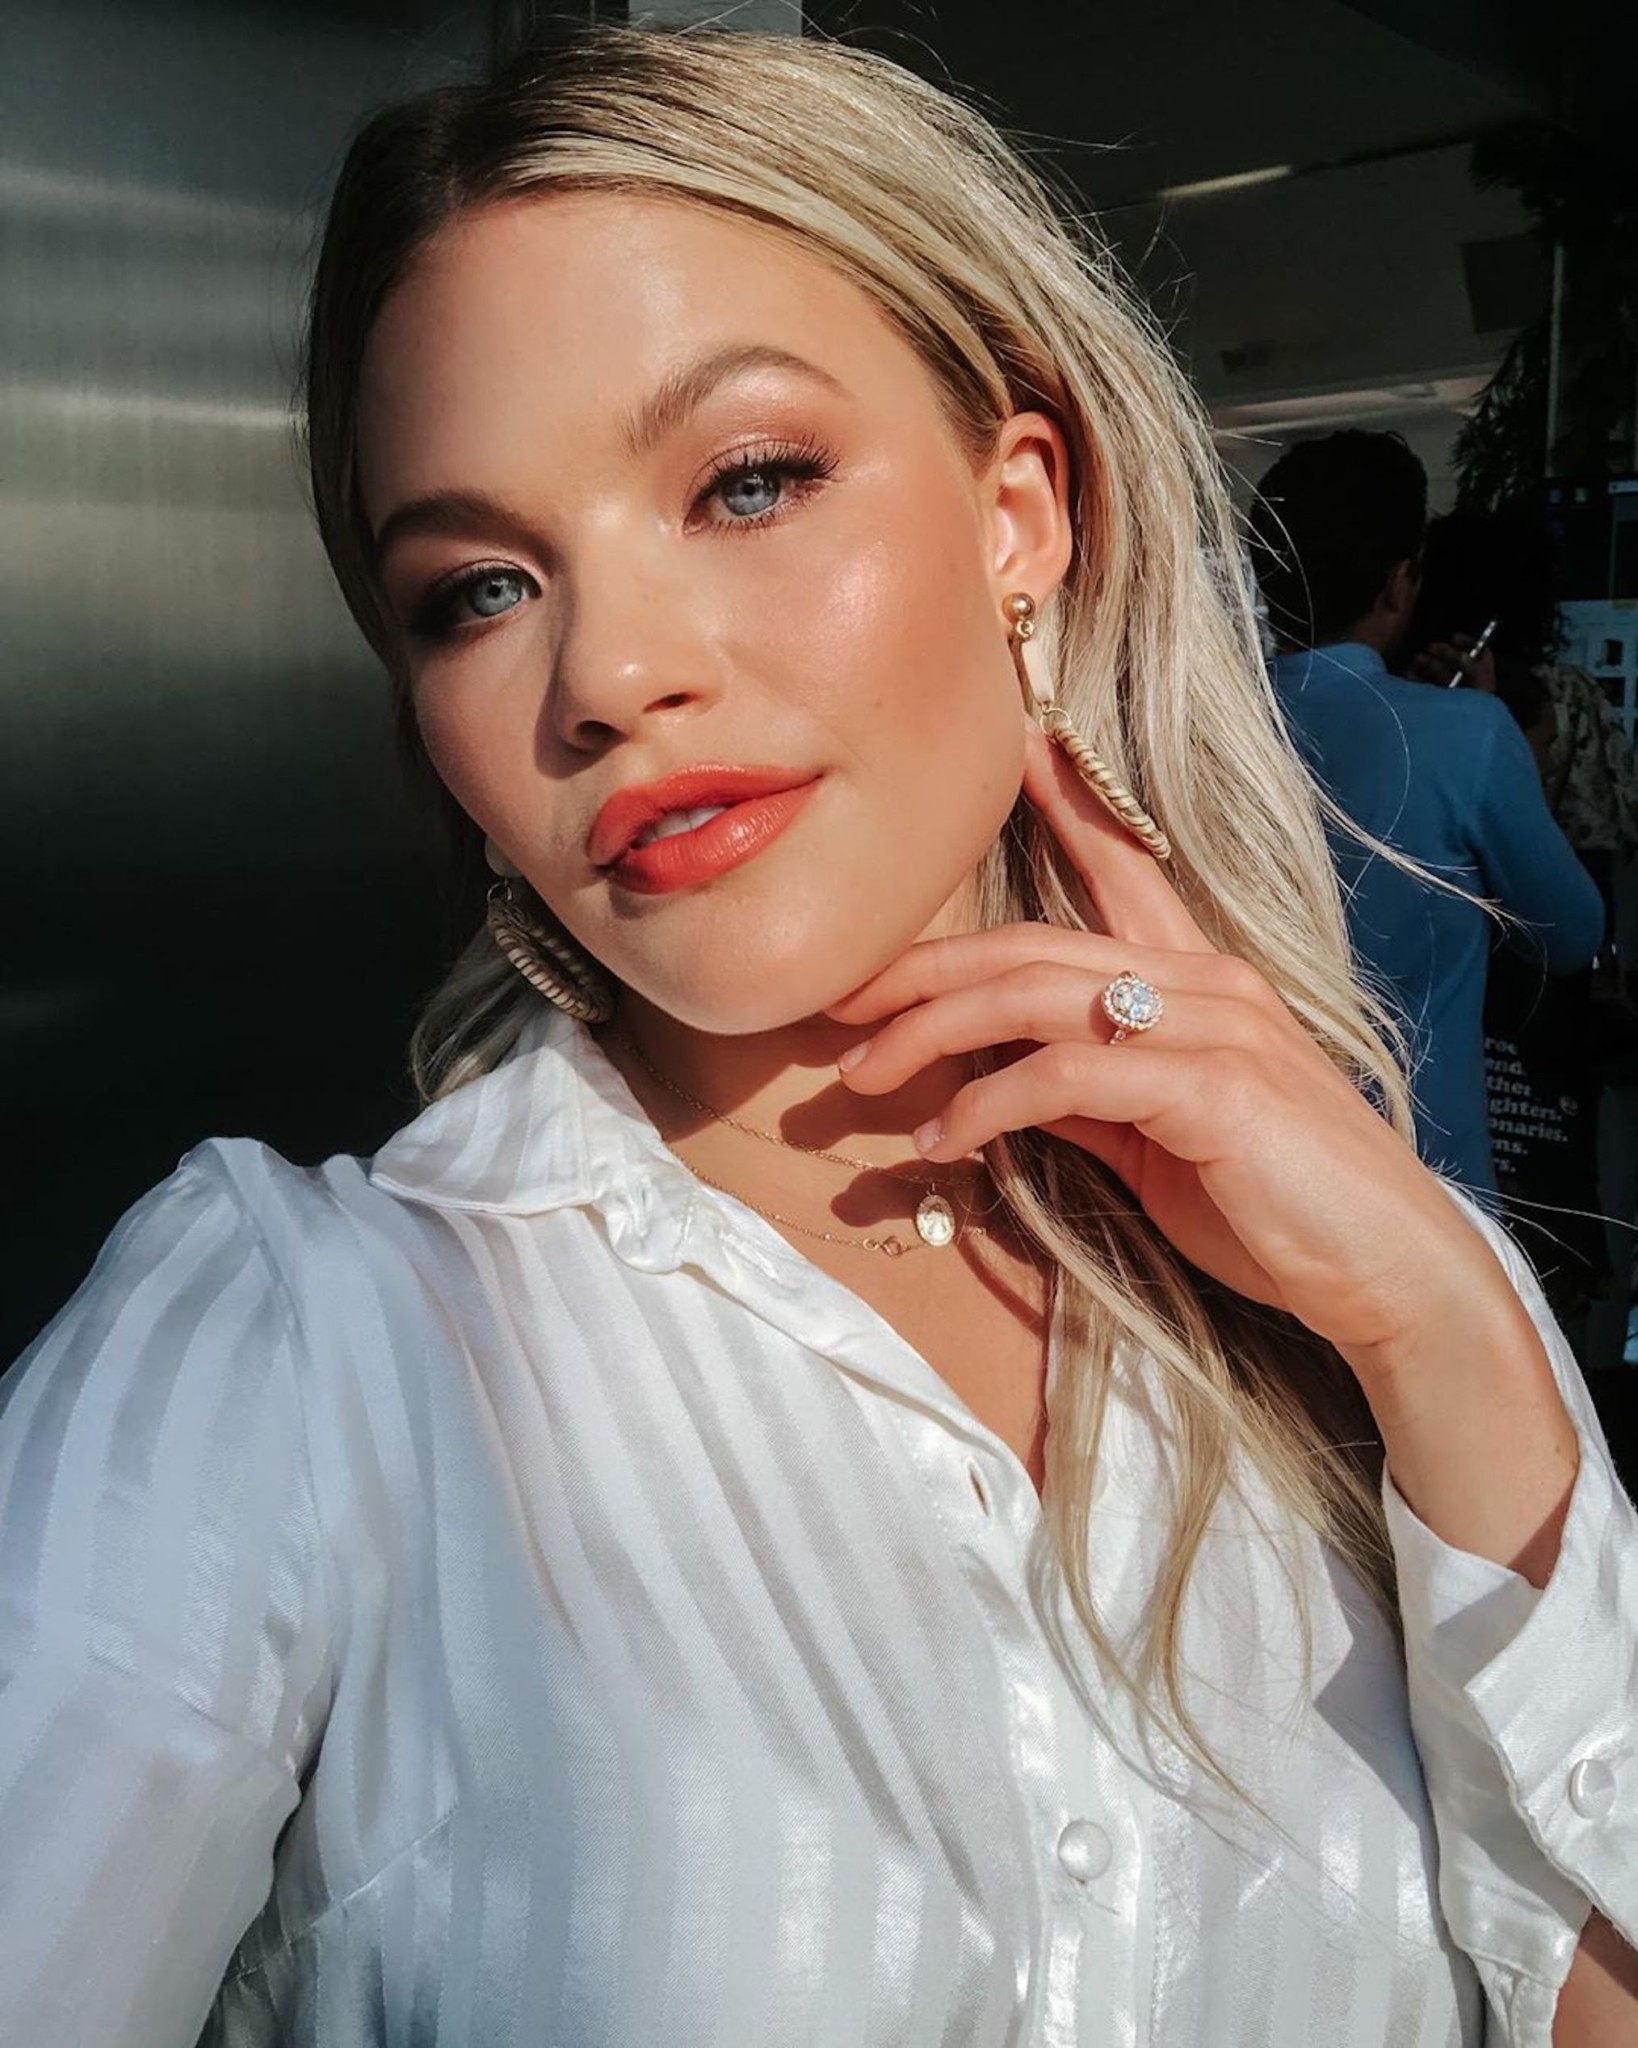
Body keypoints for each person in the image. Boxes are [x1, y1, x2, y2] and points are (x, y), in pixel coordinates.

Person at [1, 27, 1635, 2047]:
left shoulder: (1376, 1307)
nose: (609, 673)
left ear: (1018, 513)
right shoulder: (292, 1355)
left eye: (746, 481)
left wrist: (1443, 1328)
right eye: (478, 588)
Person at [1249, 432, 1605, 1201]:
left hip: (1239, 1167)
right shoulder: (1469, 735)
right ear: (1399, 582)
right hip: (1419, 1180)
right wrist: (1521, 762)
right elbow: (1571, 934)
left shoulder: (1189, 731)